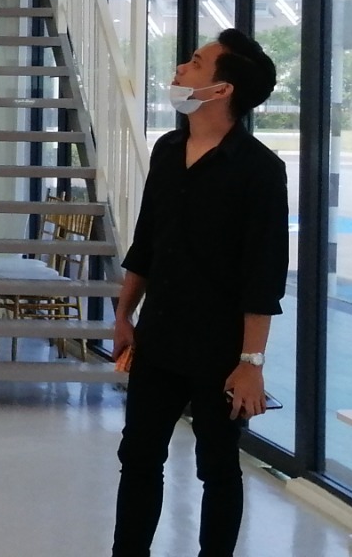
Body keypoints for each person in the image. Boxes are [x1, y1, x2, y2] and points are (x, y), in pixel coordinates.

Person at [111, 28, 288, 557]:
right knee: (138, 457)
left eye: (194, 62)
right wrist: (124, 314)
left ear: (222, 89)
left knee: (218, 467)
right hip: (159, 337)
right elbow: (147, 241)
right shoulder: (167, 150)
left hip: (220, 350)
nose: (180, 70)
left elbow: (264, 275)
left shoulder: (260, 171)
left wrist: (251, 363)